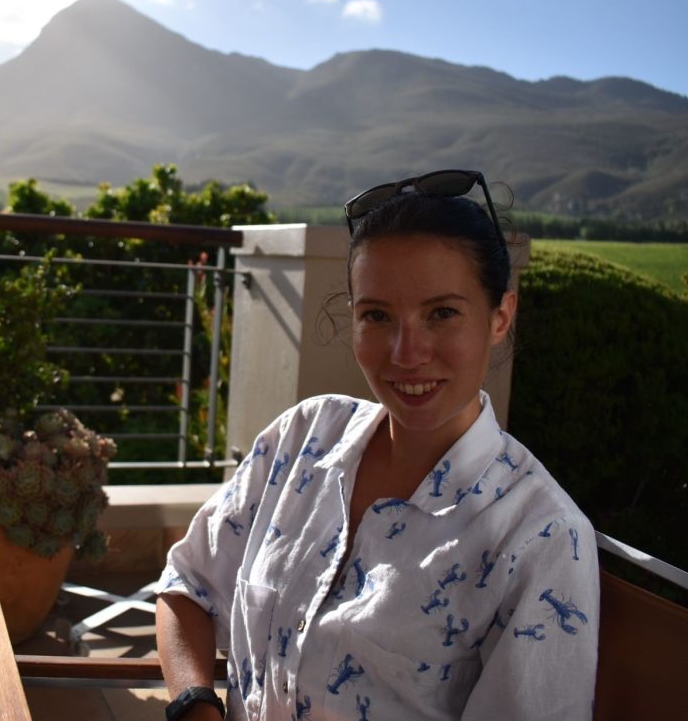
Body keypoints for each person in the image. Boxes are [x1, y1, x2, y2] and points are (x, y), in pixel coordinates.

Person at [155, 170, 599, 721]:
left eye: (442, 313)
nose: (406, 352)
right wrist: (196, 708)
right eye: (377, 316)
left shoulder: (538, 537)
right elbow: (187, 587)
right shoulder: (305, 439)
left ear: (500, 316)